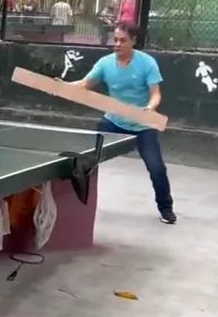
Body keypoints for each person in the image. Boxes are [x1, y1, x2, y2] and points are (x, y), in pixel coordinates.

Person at [71, 23, 177, 224]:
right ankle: (78, 204)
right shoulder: (105, 63)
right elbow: (84, 85)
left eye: (123, 40)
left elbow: (155, 94)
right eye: (115, 40)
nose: (117, 44)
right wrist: (63, 86)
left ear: (133, 41)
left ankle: (166, 209)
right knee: (85, 162)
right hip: (113, 121)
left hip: (142, 126)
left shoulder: (147, 63)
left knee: (157, 168)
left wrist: (150, 108)